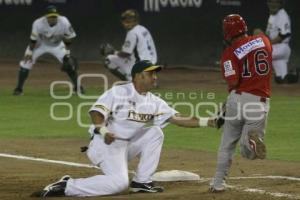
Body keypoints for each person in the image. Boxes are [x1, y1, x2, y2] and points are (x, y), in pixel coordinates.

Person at [35, 60, 221, 197]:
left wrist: (210, 121)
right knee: (118, 184)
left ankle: (142, 181)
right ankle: (68, 186)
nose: (155, 77)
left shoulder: (153, 101)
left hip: (125, 145)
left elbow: (178, 118)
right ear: (138, 76)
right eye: (151, 73)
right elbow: (96, 113)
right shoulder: (119, 92)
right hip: (105, 145)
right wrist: (104, 131)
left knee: (155, 132)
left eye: (155, 73)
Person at [210, 14, 272, 192]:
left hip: (236, 99)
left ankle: (218, 184)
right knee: (249, 153)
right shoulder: (264, 41)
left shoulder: (229, 53)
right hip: (259, 103)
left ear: (227, 32)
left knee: (227, 144)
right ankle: (252, 142)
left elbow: (233, 81)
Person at [13, 5, 82, 95]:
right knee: (26, 63)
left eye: (55, 16)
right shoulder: (38, 23)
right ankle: (19, 89)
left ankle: (78, 88)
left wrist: (67, 53)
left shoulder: (64, 21)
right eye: (51, 16)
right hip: (40, 44)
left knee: (69, 63)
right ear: (46, 17)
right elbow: (33, 40)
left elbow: (69, 38)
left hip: (57, 45)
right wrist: (29, 51)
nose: (53, 18)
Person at [100, 9, 157, 81]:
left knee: (108, 59)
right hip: (151, 63)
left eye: (130, 20)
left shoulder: (132, 33)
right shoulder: (143, 29)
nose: (128, 22)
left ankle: (130, 80)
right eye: (127, 20)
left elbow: (126, 54)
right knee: (132, 57)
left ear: (135, 20)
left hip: (141, 66)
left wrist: (113, 52)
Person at [254, 0, 291, 84]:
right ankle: (294, 74)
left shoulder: (282, 15)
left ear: (281, 4)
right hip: (277, 48)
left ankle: (250, 79)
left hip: (280, 47)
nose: (273, 4)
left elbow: (284, 35)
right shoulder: (273, 15)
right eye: (271, 2)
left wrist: (266, 42)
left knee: (256, 53)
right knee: (281, 79)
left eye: (276, 2)